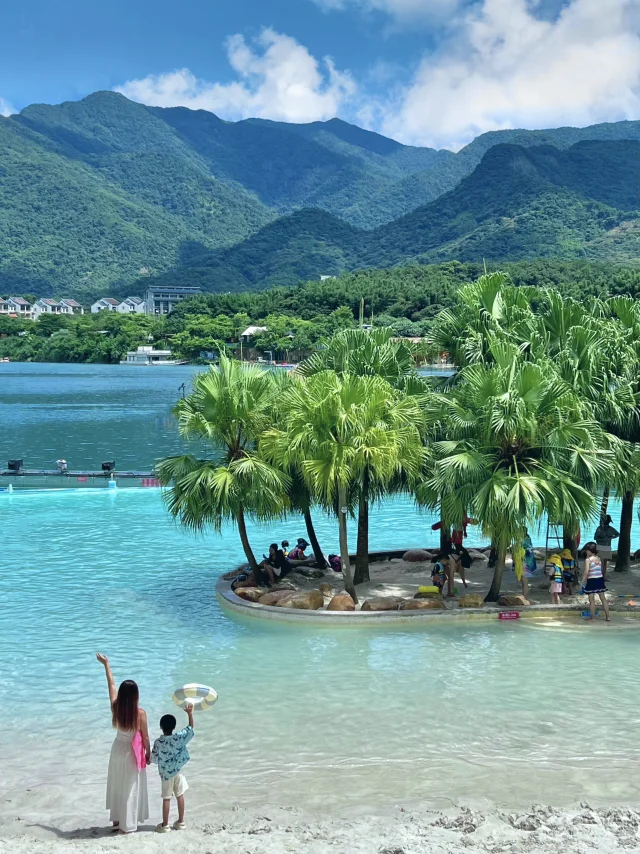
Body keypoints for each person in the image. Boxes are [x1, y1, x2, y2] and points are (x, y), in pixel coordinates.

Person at [96, 653, 150, 834]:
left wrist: (107, 665)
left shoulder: (115, 707)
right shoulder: (140, 714)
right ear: (136, 696)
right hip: (130, 752)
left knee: (117, 784)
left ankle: (117, 821)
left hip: (117, 748)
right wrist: (148, 754)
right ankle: (127, 825)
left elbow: (110, 685)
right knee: (129, 787)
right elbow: (146, 736)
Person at [151, 704, 195, 833]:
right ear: (174, 727)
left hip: (166, 775)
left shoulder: (158, 742)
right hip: (178, 772)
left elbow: (153, 759)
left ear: (161, 727)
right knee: (180, 795)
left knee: (166, 798)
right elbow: (190, 729)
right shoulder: (178, 738)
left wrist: (147, 758)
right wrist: (190, 713)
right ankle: (181, 822)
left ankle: (165, 825)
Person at [581, 543, 611, 622]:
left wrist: (582, 583)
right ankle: (608, 617)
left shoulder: (588, 560)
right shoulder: (598, 558)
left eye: (587, 550)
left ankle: (593, 618)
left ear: (590, 551)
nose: (586, 552)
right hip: (600, 579)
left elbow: (586, 572)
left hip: (592, 580)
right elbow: (600, 570)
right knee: (603, 599)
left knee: (591, 600)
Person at [520, 530, 538, 602]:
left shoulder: (524, 542)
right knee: (523, 582)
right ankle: (524, 597)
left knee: (524, 582)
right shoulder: (528, 540)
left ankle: (525, 598)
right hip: (528, 563)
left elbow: (522, 552)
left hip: (525, 563)